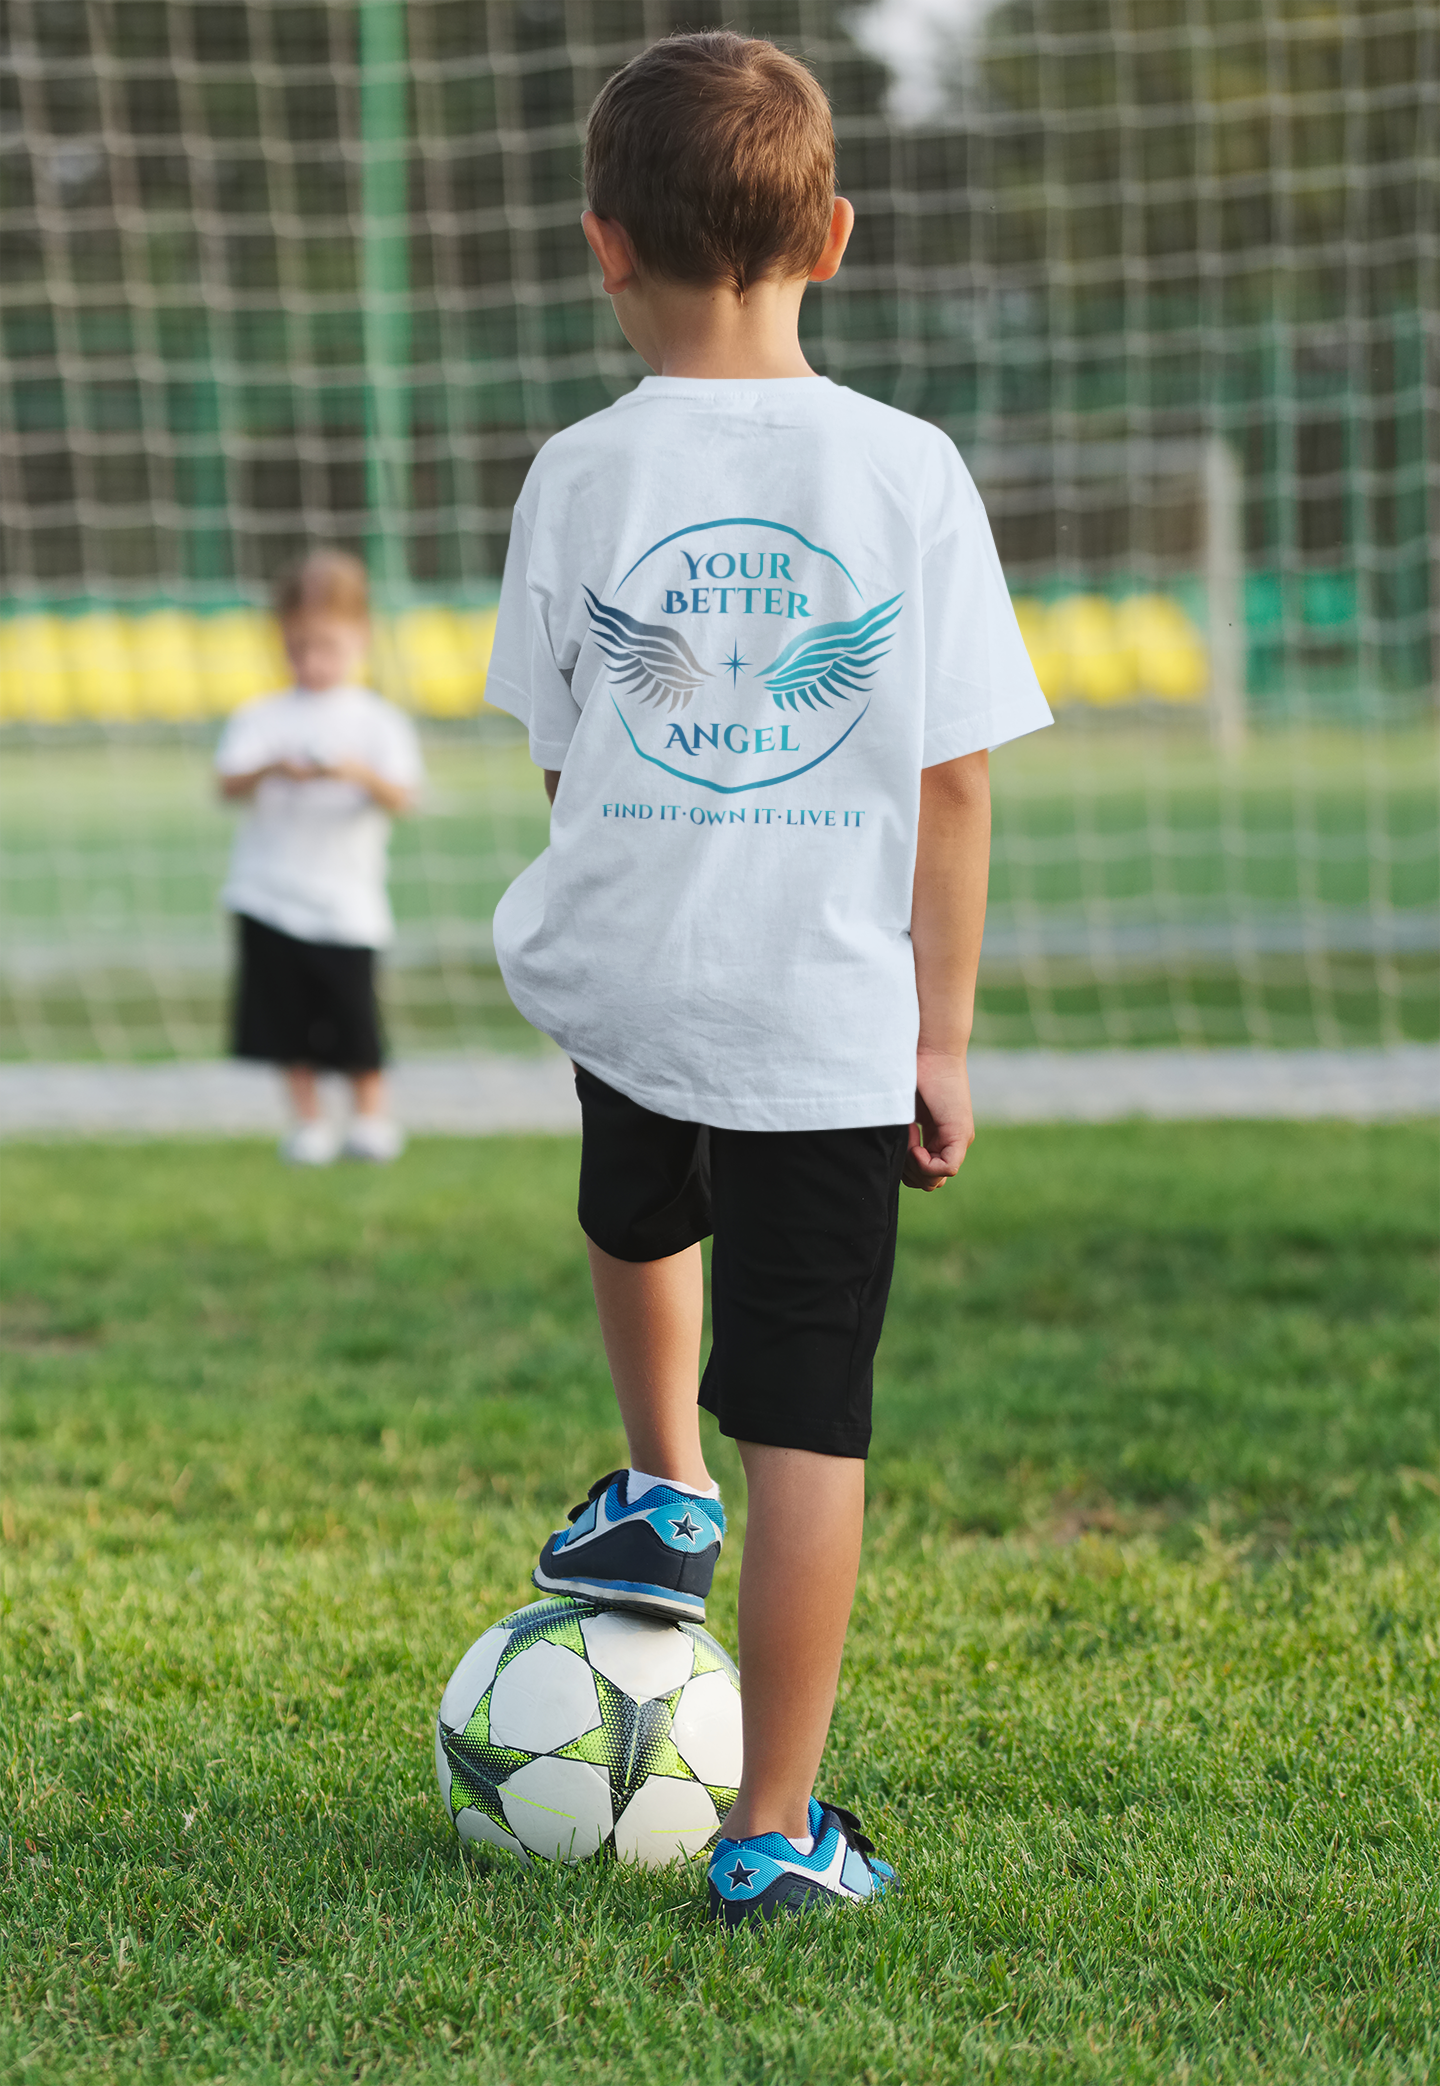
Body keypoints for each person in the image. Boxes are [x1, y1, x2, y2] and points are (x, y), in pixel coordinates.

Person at [485, 31, 1052, 1924]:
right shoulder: (908, 467)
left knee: (635, 1194)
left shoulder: (574, 470)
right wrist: (940, 1033)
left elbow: (566, 753)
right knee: (807, 1398)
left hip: (634, 969)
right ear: (835, 232)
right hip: (826, 1012)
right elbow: (952, 776)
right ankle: (773, 1833)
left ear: (601, 244)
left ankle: (658, 1482)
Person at [215, 548, 422, 1165]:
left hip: (346, 900)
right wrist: (275, 768)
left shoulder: (378, 721)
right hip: (268, 894)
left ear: (360, 638)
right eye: (297, 647)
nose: (311, 660)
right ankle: (308, 1123)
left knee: (354, 1018)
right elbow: (226, 785)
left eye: (326, 646)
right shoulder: (260, 717)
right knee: (284, 1022)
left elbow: (402, 796)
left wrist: (352, 773)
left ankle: (370, 1118)